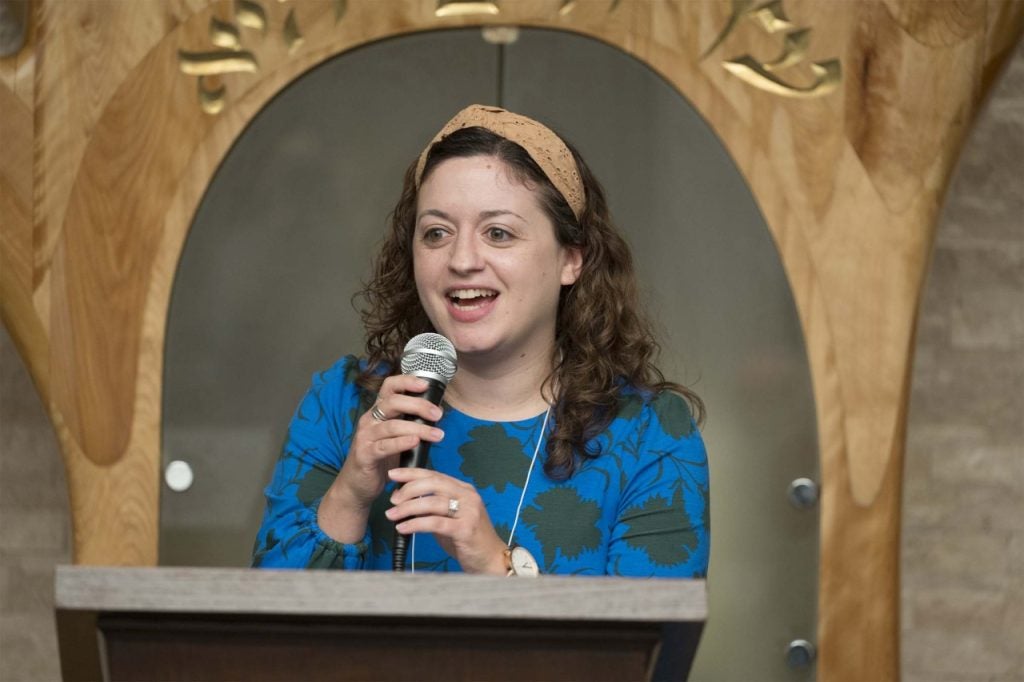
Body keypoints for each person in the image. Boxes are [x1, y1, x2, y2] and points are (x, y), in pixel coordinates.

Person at [252, 104, 709, 577]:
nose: (462, 259)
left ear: (571, 260)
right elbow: (266, 639)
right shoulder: (344, 403)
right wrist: (350, 493)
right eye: (436, 233)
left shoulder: (649, 434)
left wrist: (496, 566)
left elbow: (648, 646)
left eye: (498, 233)